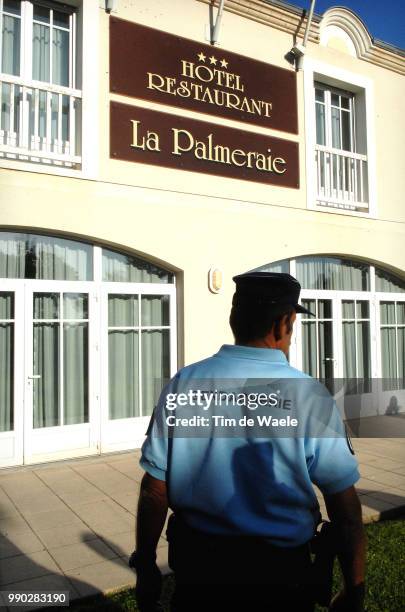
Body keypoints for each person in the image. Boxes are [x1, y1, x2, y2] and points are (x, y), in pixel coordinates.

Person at [132, 272, 366, 612]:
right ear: (283, 324)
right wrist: (354, 590)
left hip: (200, 575)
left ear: (233, 319)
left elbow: (154, 489)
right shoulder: (309, 395)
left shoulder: (184, 384)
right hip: (281, 579)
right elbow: (343, 505)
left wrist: (146, 565)